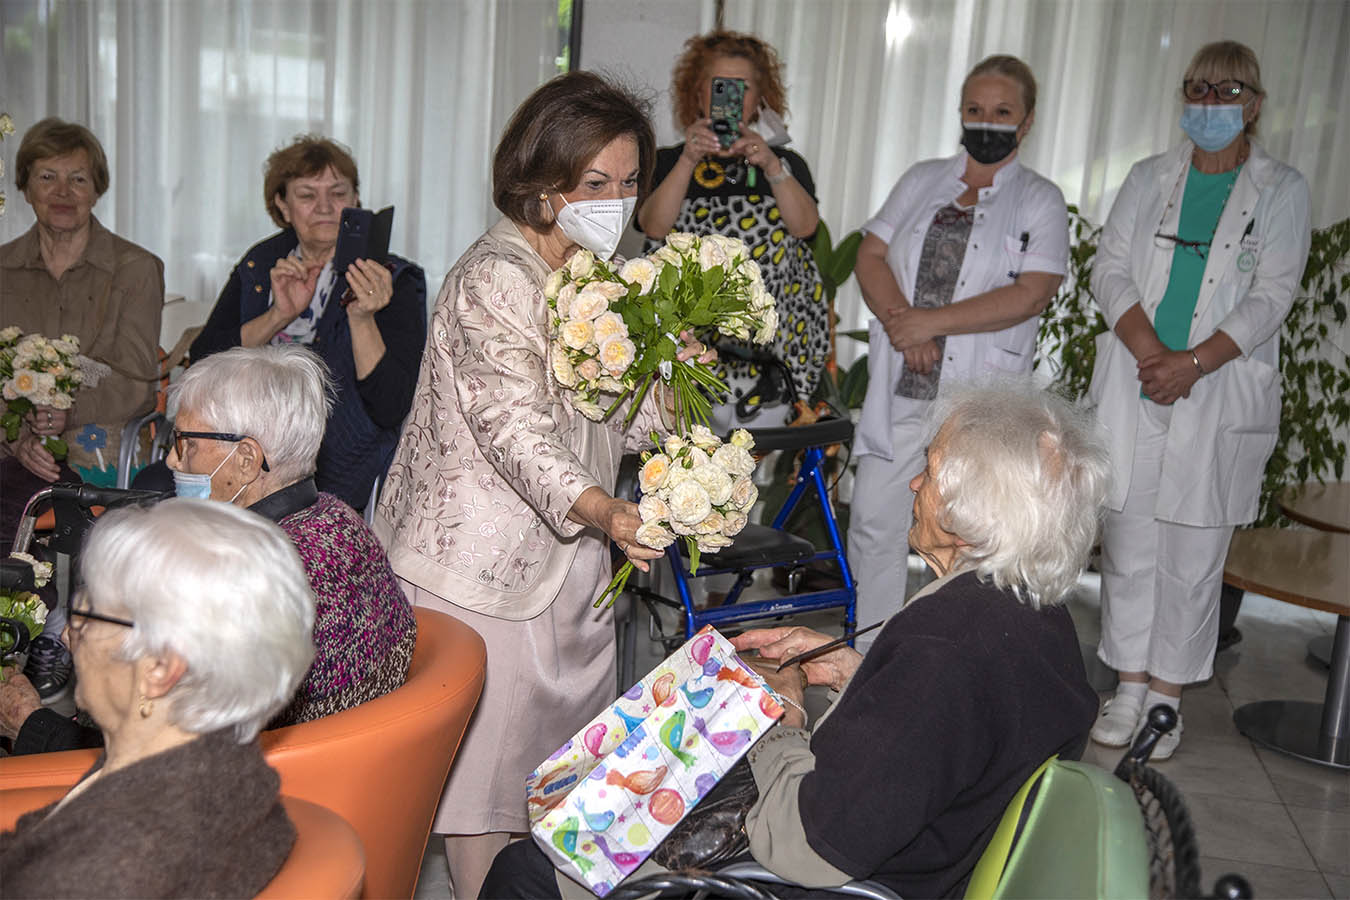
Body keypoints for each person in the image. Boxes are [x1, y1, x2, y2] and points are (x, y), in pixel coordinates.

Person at [481, 380, 1106, 899]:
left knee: (528, 872)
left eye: (933, 473)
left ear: (979, 509)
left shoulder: (945, 643)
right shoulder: (1040, 623)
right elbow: (956, 734)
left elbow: (808, 848)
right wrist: (855, 670)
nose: (915, 486)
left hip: (825, 882)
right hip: (918, 862)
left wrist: (779, 714)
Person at [372, 71, 714, 900]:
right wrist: (605, 510)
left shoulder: (595, 272)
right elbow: (512, 427)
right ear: (539, 181)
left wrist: (672, 387)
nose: (618, 201)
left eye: (630, 182)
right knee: (483, 802)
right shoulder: (499, 276)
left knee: (558, 789)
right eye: (594, 183)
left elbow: (602, 419)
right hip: (480, 578)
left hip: (572, 573)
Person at [0, 345, 416, 752]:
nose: (173, 463)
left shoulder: (236, 583)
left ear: (247, 459)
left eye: (185, 443)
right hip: (349, 774)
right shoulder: (342, 523)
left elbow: (155, 763)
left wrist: (32, 723)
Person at [1087, 41, 1310, 760]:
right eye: (1197, 88)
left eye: (1226, 90)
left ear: (1253, 103)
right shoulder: (1149, 177)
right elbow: (1109, 268)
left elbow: (1273, 295)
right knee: (1128, 543)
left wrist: (1192, 364)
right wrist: (1154, 354)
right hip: (1138, 374)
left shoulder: (1281, 190)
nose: (1209, 103)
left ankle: (1165, 701)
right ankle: (1125, 687)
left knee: (1193, 549)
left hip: (1215, 388)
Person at [849, 55, 1069, 650]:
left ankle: (950, 662)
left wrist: (927, 324)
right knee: (875, 521)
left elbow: (1032, 292)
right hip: (904, 381)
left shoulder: (1040, 200)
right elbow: (870, 256)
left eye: (1002, 112)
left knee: (969, 537)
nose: (987, 121)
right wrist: (904, 325)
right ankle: (868, 656)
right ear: (960, 113)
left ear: (1026, 122)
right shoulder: (923, 179)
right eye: (975, 110)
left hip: (979, 398)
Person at [0, 498, 314, 897]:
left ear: (160, 669)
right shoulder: (223, 771)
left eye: (88, 613)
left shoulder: (100, 868)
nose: (66, 635)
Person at [0, 116, 164, 701]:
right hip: (13, 447)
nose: (64, 193)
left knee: (30, 494)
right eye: (48, 176)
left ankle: (36, 628)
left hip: (98, 442)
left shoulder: (135, 269)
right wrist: (14, 434)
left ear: (98, 188)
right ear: (25, 186)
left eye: (78, 178)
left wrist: (67, 416)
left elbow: (140, 383)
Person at [190, 135, 426, 511]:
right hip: (239, 440)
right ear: (282, 205)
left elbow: (391, 405)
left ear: (355, 202)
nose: (325, 207)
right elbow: (202, 363)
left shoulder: (393, 278)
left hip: (334, 452)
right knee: (156, 484)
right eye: (306, 195)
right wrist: (278, 315)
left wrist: (361, 317)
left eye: (338, 193)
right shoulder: (261, 262)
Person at [637, 30, 824, 427]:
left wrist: (772, 166)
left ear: (761, 97)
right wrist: (689, 159)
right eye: (720, 85)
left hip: (764, 361)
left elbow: (806, 227)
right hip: (683, 355)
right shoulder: (670, 161)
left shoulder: (786, 163)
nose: (731, 95)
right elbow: (652, 226)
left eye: (744, 87)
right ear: (698, 93)